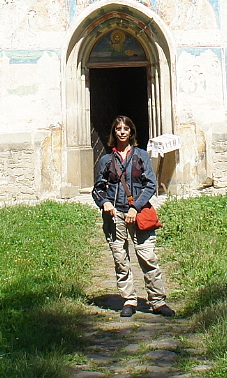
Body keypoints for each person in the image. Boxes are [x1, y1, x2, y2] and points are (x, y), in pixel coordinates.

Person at [92, 116, 174, 318]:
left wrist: (135, 207)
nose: (122, 132)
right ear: (114, 133)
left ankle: (157, 301)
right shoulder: (106, 160)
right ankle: (129, 300)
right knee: (121, 259)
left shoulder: (141, 156)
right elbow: (97, 190)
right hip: (115, 215)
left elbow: (150, 185)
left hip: (138, 214)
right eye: (118, 129)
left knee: (147, 256)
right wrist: (105, 203)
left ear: (131, 132)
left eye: (125, 129)